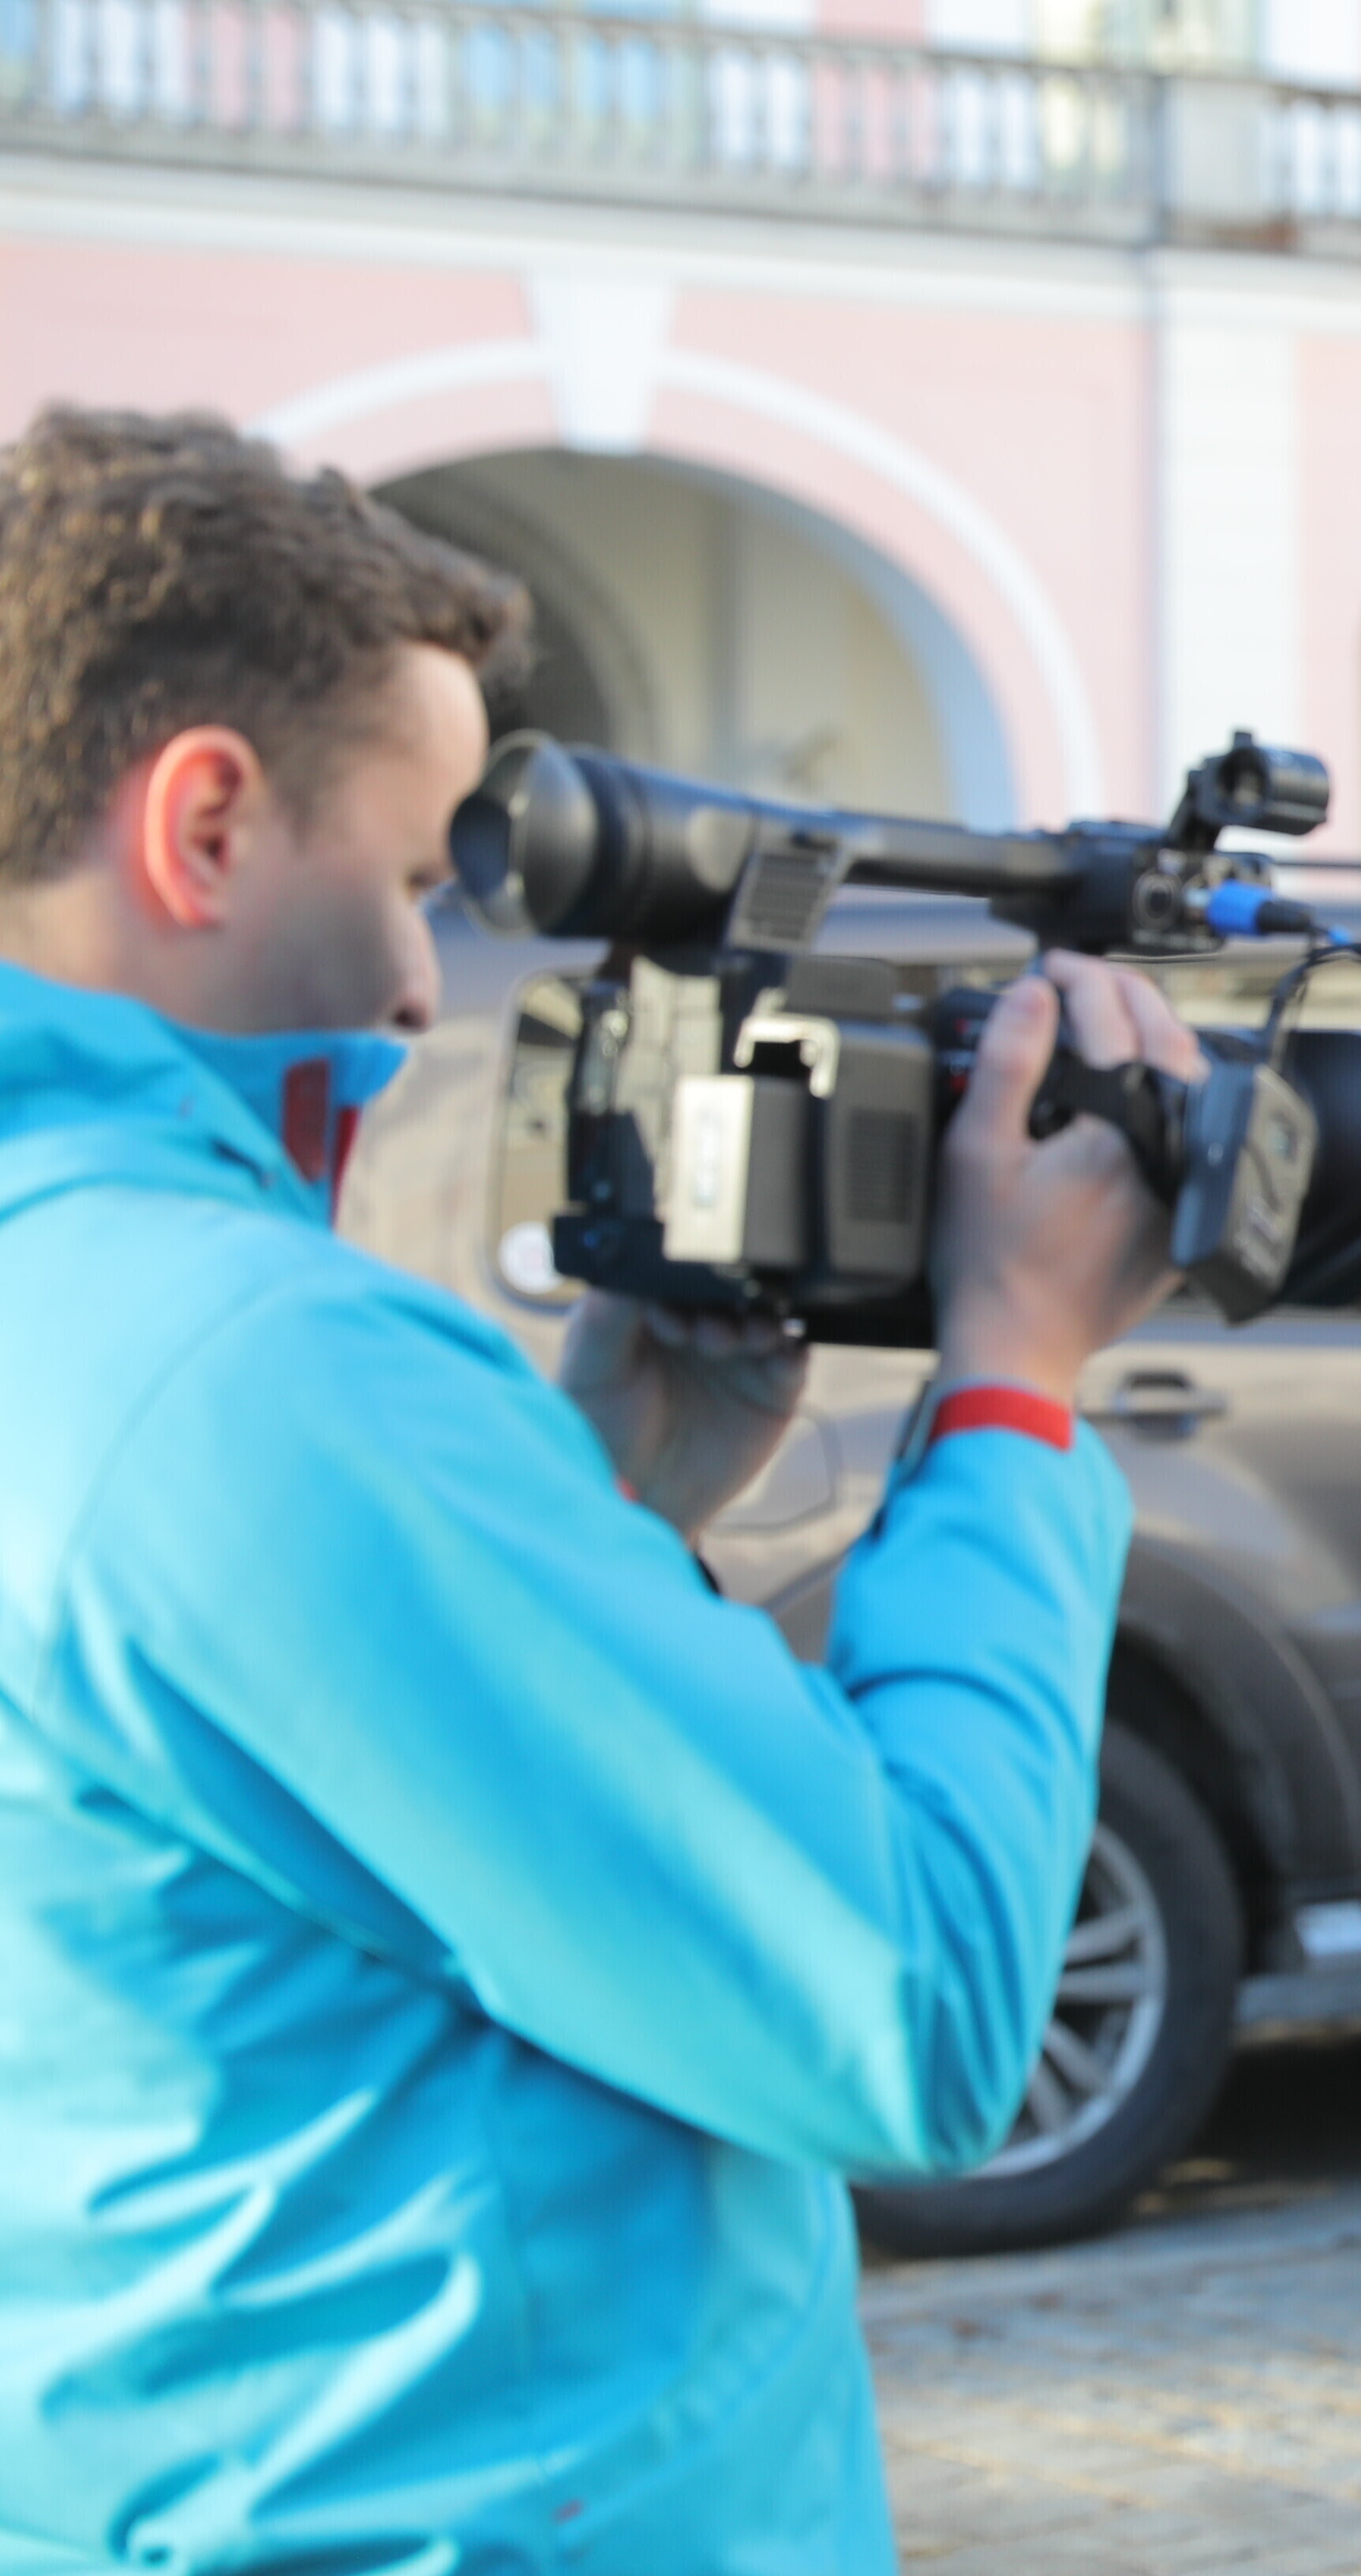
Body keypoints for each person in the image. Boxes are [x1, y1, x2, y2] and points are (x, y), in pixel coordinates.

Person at [0, 410, 1197, 2568]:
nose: (414, 982)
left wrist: (600, 1506)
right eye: (402, 876)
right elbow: (920, 2007)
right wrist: (1017, 1384)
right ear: (205, 823)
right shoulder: (258, 1365)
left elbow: (257, 1892)